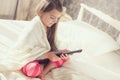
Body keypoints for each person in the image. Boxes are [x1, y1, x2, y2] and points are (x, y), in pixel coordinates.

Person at [21, 0, 70, 79]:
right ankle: (40, 69)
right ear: (41, 12)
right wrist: (47, 55)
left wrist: (59, 53)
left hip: (45, 60)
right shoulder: (33, 28)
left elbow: (54, 45)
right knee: (33, 68)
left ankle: (43, 72)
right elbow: (25, 52)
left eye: (57, 18)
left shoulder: (51, 27)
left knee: (65, 53)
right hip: (32, 59)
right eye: (52, 17)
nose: (55, 21)